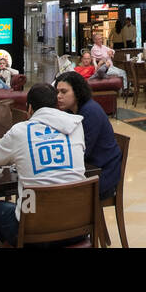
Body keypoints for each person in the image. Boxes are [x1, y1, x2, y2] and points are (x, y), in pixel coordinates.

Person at [0, 84, 86, 246]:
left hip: (34, 232)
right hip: (77, 227)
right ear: (56, 105)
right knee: (25, 205)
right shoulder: (77, 126)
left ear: (29, 108)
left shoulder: (20, 131)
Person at [54, 72, 122, 201]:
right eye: (57, 92)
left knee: (56, 197)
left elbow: (83, 151)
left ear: (77, 92)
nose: (58, 96)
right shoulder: (71, 111)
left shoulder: (90, 112)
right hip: (90, 169)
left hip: (102, 175)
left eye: (64, 92)